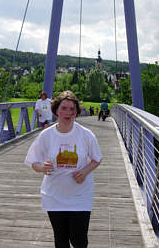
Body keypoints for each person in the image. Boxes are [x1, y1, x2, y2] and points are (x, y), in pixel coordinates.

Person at [25, 90, 102, 248]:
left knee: (79, 240)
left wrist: (85, 171)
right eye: (64, 108)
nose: (68, 112)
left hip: (80, 196)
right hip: (54, 195)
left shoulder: (86, 135)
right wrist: (42, 168)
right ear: (56, 111)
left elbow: (97, 159)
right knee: (61, 240)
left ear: (77, 112)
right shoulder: (46, 135)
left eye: (72, 109)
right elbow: (33, 161)